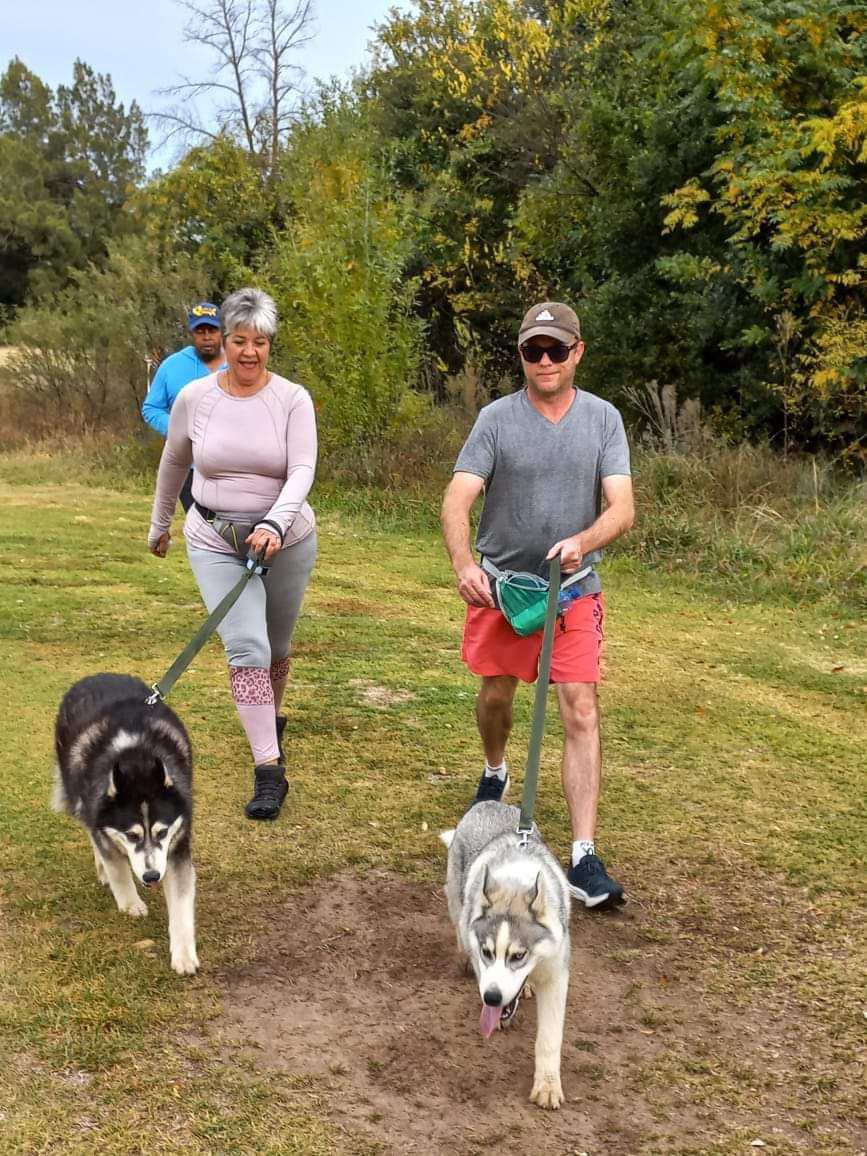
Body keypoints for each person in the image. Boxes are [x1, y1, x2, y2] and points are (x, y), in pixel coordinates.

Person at [441, 301, 634, 909]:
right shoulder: (496, 419)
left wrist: (585, 540)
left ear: (577, 351)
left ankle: (582, 857)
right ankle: (495, 771)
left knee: (580, 708)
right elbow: (456, 501)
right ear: (521, 356)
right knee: (497, 695)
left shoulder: (604, 419)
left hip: (573, 591)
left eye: (556, 349)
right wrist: (464, 564)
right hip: (503, 588)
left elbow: (622, 507)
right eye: (533, 350)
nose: (544, 361)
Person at [148, 288, 317, 821]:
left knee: (277, 646)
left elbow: (302, 471)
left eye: (260, 342)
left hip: (284, 538)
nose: (249, 352)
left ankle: (272, 716)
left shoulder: (293, 399)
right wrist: (159, 524)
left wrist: (274, 522)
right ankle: (269, 771)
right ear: (222, 340)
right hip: (214, 536)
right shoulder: (196, 398)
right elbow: (174, 462)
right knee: (247, 646)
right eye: (239, 340)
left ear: (271, 344)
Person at [142, 302, 225, 511]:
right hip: (189, 468)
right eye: (200, 331)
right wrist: (178, 429)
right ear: (192, 333)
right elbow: (151, 408)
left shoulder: (238, 364)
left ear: (222, 331)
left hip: (231, 467)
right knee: (202, 528)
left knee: (235, 530)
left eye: (212, 330)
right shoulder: (172, 366)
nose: (207, 337)